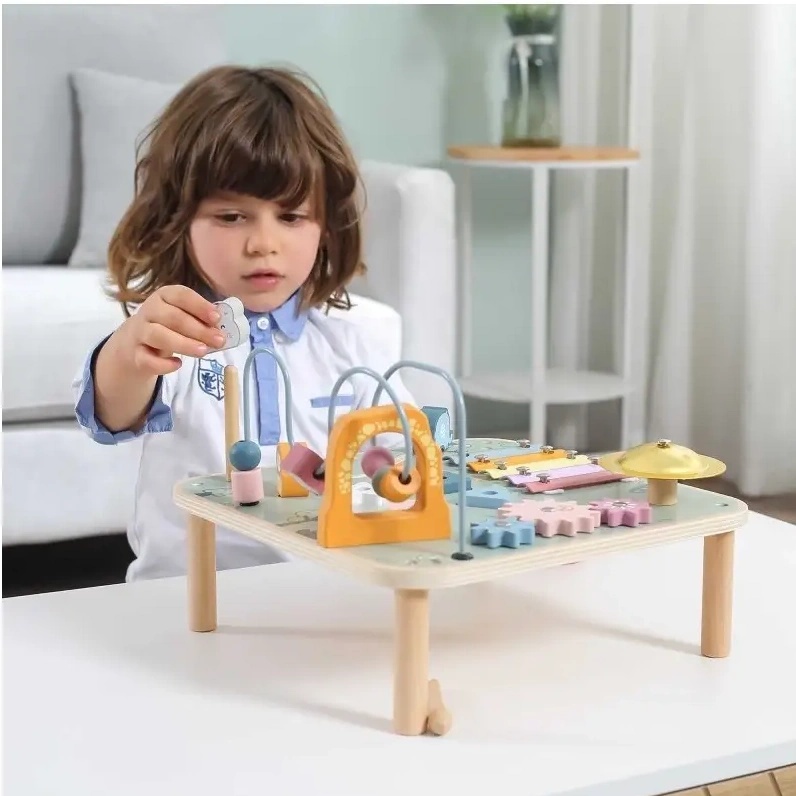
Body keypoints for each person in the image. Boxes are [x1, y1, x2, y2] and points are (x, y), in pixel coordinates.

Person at [72, 65, 414, 582]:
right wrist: (129, 353)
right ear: (178, 220)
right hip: (186, 598)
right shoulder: (173, 334)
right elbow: (111, 413)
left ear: (327, 226)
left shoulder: (352, 342)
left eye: (291, 217)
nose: (263, 244)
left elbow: (405, 448)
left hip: (324, 592)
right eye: (232, 217)